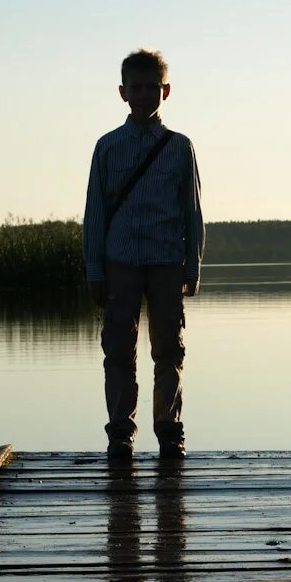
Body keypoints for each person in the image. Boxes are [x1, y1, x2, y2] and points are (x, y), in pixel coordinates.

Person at [83, 48, 205, 460]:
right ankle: (121, 433)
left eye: (152, 87)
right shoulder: (107, 147)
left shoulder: (179, 147)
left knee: (169, 351)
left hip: (167, 261)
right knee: (118, 350)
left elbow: (192, 211)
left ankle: (170, 432)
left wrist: (194, 265)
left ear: (165, 90)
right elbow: (95, 214)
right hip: (119, 263)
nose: (144, 94)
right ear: (122, 92)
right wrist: (94, 269)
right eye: (136, 87)